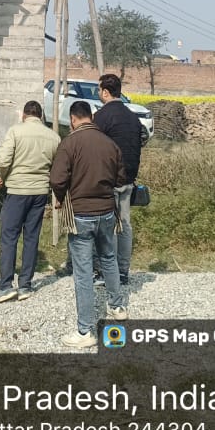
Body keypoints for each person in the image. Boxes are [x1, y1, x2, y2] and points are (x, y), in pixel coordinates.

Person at [50, 99, 127, 350]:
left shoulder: (69, 143)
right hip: (107, 211)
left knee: (83, 272)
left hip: (81, 214)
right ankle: (117, 306)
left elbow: (57, 179)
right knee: (109, 258)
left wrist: (60, 198)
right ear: (91, 117)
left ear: (73, 120)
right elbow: (120, 178)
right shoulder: (110, 143)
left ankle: (85, 330)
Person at [0, 100, 60, 303]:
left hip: (17, 190)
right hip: (40, 191)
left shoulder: (15, 131)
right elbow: (58, 167)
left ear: (24, 115)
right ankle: (25, 285)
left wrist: (2, 177)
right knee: (31, 238)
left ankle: (5, 285)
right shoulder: (53, 137)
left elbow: (2, 160)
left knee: (9, 237)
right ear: (41, 115)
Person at [93, 73, 142, 288]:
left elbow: (93, 146)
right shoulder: (132, 117)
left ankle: (107, 272)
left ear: (105, 92)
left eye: (98, 89)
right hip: (129, 179)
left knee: (109, 227)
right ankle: (123, 272)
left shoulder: (101, 117)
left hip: (108, 180)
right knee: (125, 225)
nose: (98, 93)